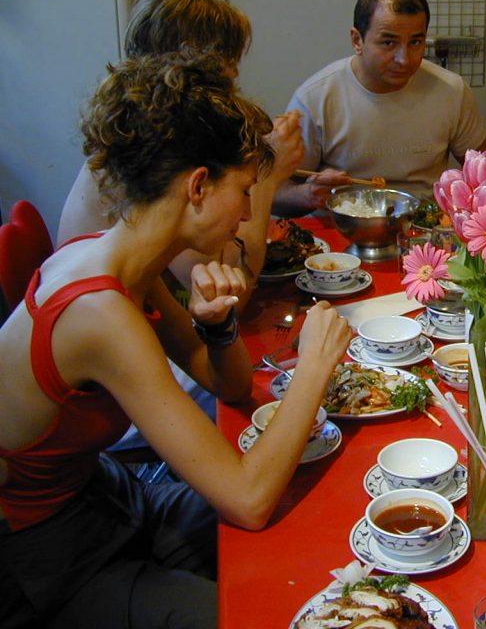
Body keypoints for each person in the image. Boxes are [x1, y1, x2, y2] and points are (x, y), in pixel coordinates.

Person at [0, 52, 351, 628]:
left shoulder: (124, 260)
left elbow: (229, 386)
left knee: (309, 516)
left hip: (108, 498)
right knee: (267, 610)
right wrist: (314, 366)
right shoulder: (99, 310)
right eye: (243, 190)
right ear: (197, 187)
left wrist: (217, 326)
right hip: (49, 559)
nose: (244, 214)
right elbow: (247, 500)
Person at [57, 0, 304, 451]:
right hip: (122, 410)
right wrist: (268, 180)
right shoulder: (160, 175)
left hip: (155, 360)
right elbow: (231, 284)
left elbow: (207, 328)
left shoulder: (137, 146)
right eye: (227, 74)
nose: (232, 88)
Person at [273, 0, 486, 211]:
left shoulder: (451, 91)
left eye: (415, 42)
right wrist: (307, 195)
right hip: (343, 227)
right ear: (357, 40)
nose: (404, 59)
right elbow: (273, 195)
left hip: (424, 226)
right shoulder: (315, 99)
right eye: (388, 42)